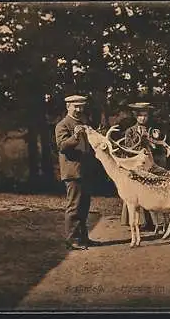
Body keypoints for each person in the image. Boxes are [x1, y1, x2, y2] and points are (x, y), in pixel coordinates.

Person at [55, 95, 100, 250]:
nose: (80, 110)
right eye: (76, 107)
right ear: (68, 106)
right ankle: (72, 240)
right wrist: (75, 136)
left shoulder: (83, 123)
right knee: (74, 206)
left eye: (82, 107)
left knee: (84, 206)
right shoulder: (63, 125)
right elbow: (62, 146)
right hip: (73, 171)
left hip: (85, 171)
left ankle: (83, 238)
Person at [121, 102, 168, 230]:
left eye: (145, 115)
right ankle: (139, 222)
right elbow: (128, 148)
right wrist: (139, 141)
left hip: (149, 162)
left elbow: (158, 146)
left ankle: (155, 222)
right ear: (136, 116)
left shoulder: (153, 130)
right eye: (140, 116)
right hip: (136, 163)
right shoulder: (130, 131)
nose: (142, 118)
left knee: (150, 189)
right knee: (136, 190)